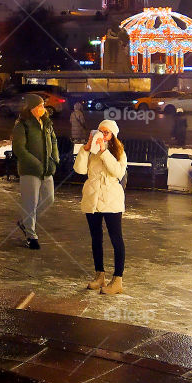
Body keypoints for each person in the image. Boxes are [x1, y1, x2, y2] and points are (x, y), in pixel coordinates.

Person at [74, 118, 127, 295]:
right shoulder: (92, 151)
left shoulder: (119, 152)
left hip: (111, 198)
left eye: (106, 132)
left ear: (112, 135)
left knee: (116, 238)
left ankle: (117, 280)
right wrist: (86, 149)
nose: (102, 135)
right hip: (92, 197)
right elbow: (80, 170)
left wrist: (104, 152)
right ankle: (100, 275)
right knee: (96, 237)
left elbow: (118, 173)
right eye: (100, 131)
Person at [11, 93, 59, 250]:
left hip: (47, 169)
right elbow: (19, 149)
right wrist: (36, 164)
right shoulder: (22, 125)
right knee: (30, 203)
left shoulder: (46, 123)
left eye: (43, 105)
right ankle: (31, 236)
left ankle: (26, 222)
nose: (43, 108)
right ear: (31, 108)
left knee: (49, 199)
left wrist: (54, 159)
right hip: (30, 170)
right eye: (39, 106)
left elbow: (53, 140)